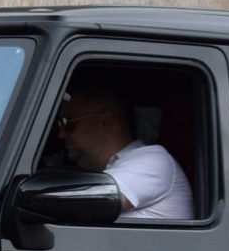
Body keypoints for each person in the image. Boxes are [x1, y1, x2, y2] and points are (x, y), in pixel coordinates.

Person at [54, 91, 193, 220]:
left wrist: (39, 196)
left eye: (68, 123)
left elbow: (89, 199)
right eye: (60, 125)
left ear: (105, 121)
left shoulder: (154, 160)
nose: (61, 135)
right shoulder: (121, 169)